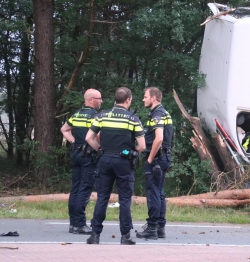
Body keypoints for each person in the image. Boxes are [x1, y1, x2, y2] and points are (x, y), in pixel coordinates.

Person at [85, 87, 145, 245]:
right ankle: (125, 236)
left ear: (115, 99)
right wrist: (130, 152)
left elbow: (89, 137)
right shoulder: (133, 119)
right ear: (128, 100)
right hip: (123, 162)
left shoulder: (102, 115)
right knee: (125, 199)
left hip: (104, 160)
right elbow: (142, 145)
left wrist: (101, 150)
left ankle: (95, 235)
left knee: (102, 198)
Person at [60, 89, 102, 235]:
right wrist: (99, 149)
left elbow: (64, 129)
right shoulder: (95, 116)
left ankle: (73, 224)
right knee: (84, 189)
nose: (101, 101)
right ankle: (80, 224)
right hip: (89, 155)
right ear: (91, 100)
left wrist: (74, 141)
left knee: (75, 188)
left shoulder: (76, 114)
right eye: (99, 98)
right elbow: (97, 137)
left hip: (76, 153)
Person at [136, 87, 173, 240]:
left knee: (153, 193)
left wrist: (150, 158)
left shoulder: (157, 114)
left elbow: (158, 138)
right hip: (163, 158)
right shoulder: (164, 112)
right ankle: (159, 227)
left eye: (145, 97)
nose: (143, 99)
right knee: (159, 192)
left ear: (153, 98)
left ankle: (152, 228)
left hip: (156, 159)